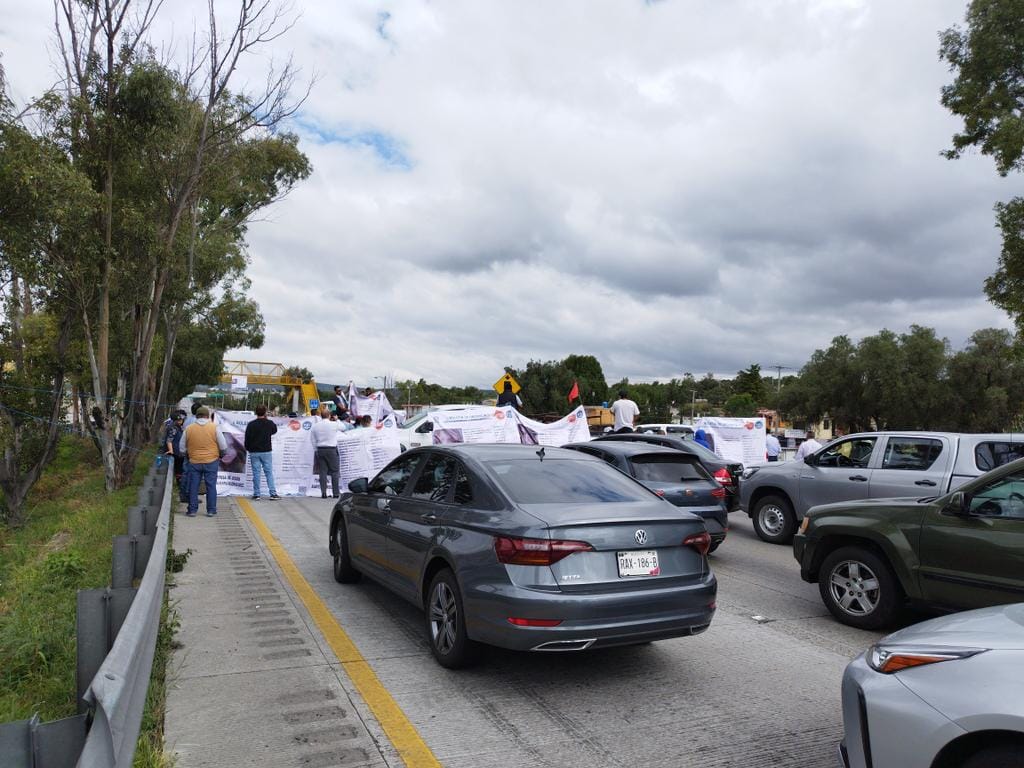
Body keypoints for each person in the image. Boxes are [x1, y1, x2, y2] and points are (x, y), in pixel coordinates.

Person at [181, 406, 227, 517]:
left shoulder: (189, 428)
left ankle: (192, 510)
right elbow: (223, 446)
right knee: (211, 486)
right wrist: (221, 455)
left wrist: (188, 455)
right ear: (207, 416)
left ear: (197, 416)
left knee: (193, 486)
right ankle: (211, 510)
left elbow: (181, 448)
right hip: (211, 461)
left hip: (194, 461)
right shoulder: (214, 428)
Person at [244, 404, 279, 500]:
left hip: (254, 452)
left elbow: (247, 438)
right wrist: (267, 419)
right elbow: (274, 430)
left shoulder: (251, 424)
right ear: (265, 412)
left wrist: (248, 448)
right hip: (266, 451)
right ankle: (273, 493)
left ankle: (256, 494)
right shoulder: (269, 423)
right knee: (268, 473)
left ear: (256, 412)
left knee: (256, 473)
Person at [311, 405, 341, 498]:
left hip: (320, 449)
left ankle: (323, 492)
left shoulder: (315, 426)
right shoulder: (334, 424)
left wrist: (316, 450)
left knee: (322, 472)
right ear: (329, 415)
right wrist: (336, 419)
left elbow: (312, 440)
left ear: (321, 416)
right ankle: (335, 493)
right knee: (335, 472)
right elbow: (343, 427)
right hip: (331, 449)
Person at [164, 411, 188, 502]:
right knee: (180, 471)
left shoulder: (176, 427)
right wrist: (171, 450)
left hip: (179, 452)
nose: (181, 421)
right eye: (180, 419)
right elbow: (169, 440)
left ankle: (180, 487)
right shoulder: (173, 428)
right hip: (176, 453)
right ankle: (180, 489)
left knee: (179, 471)